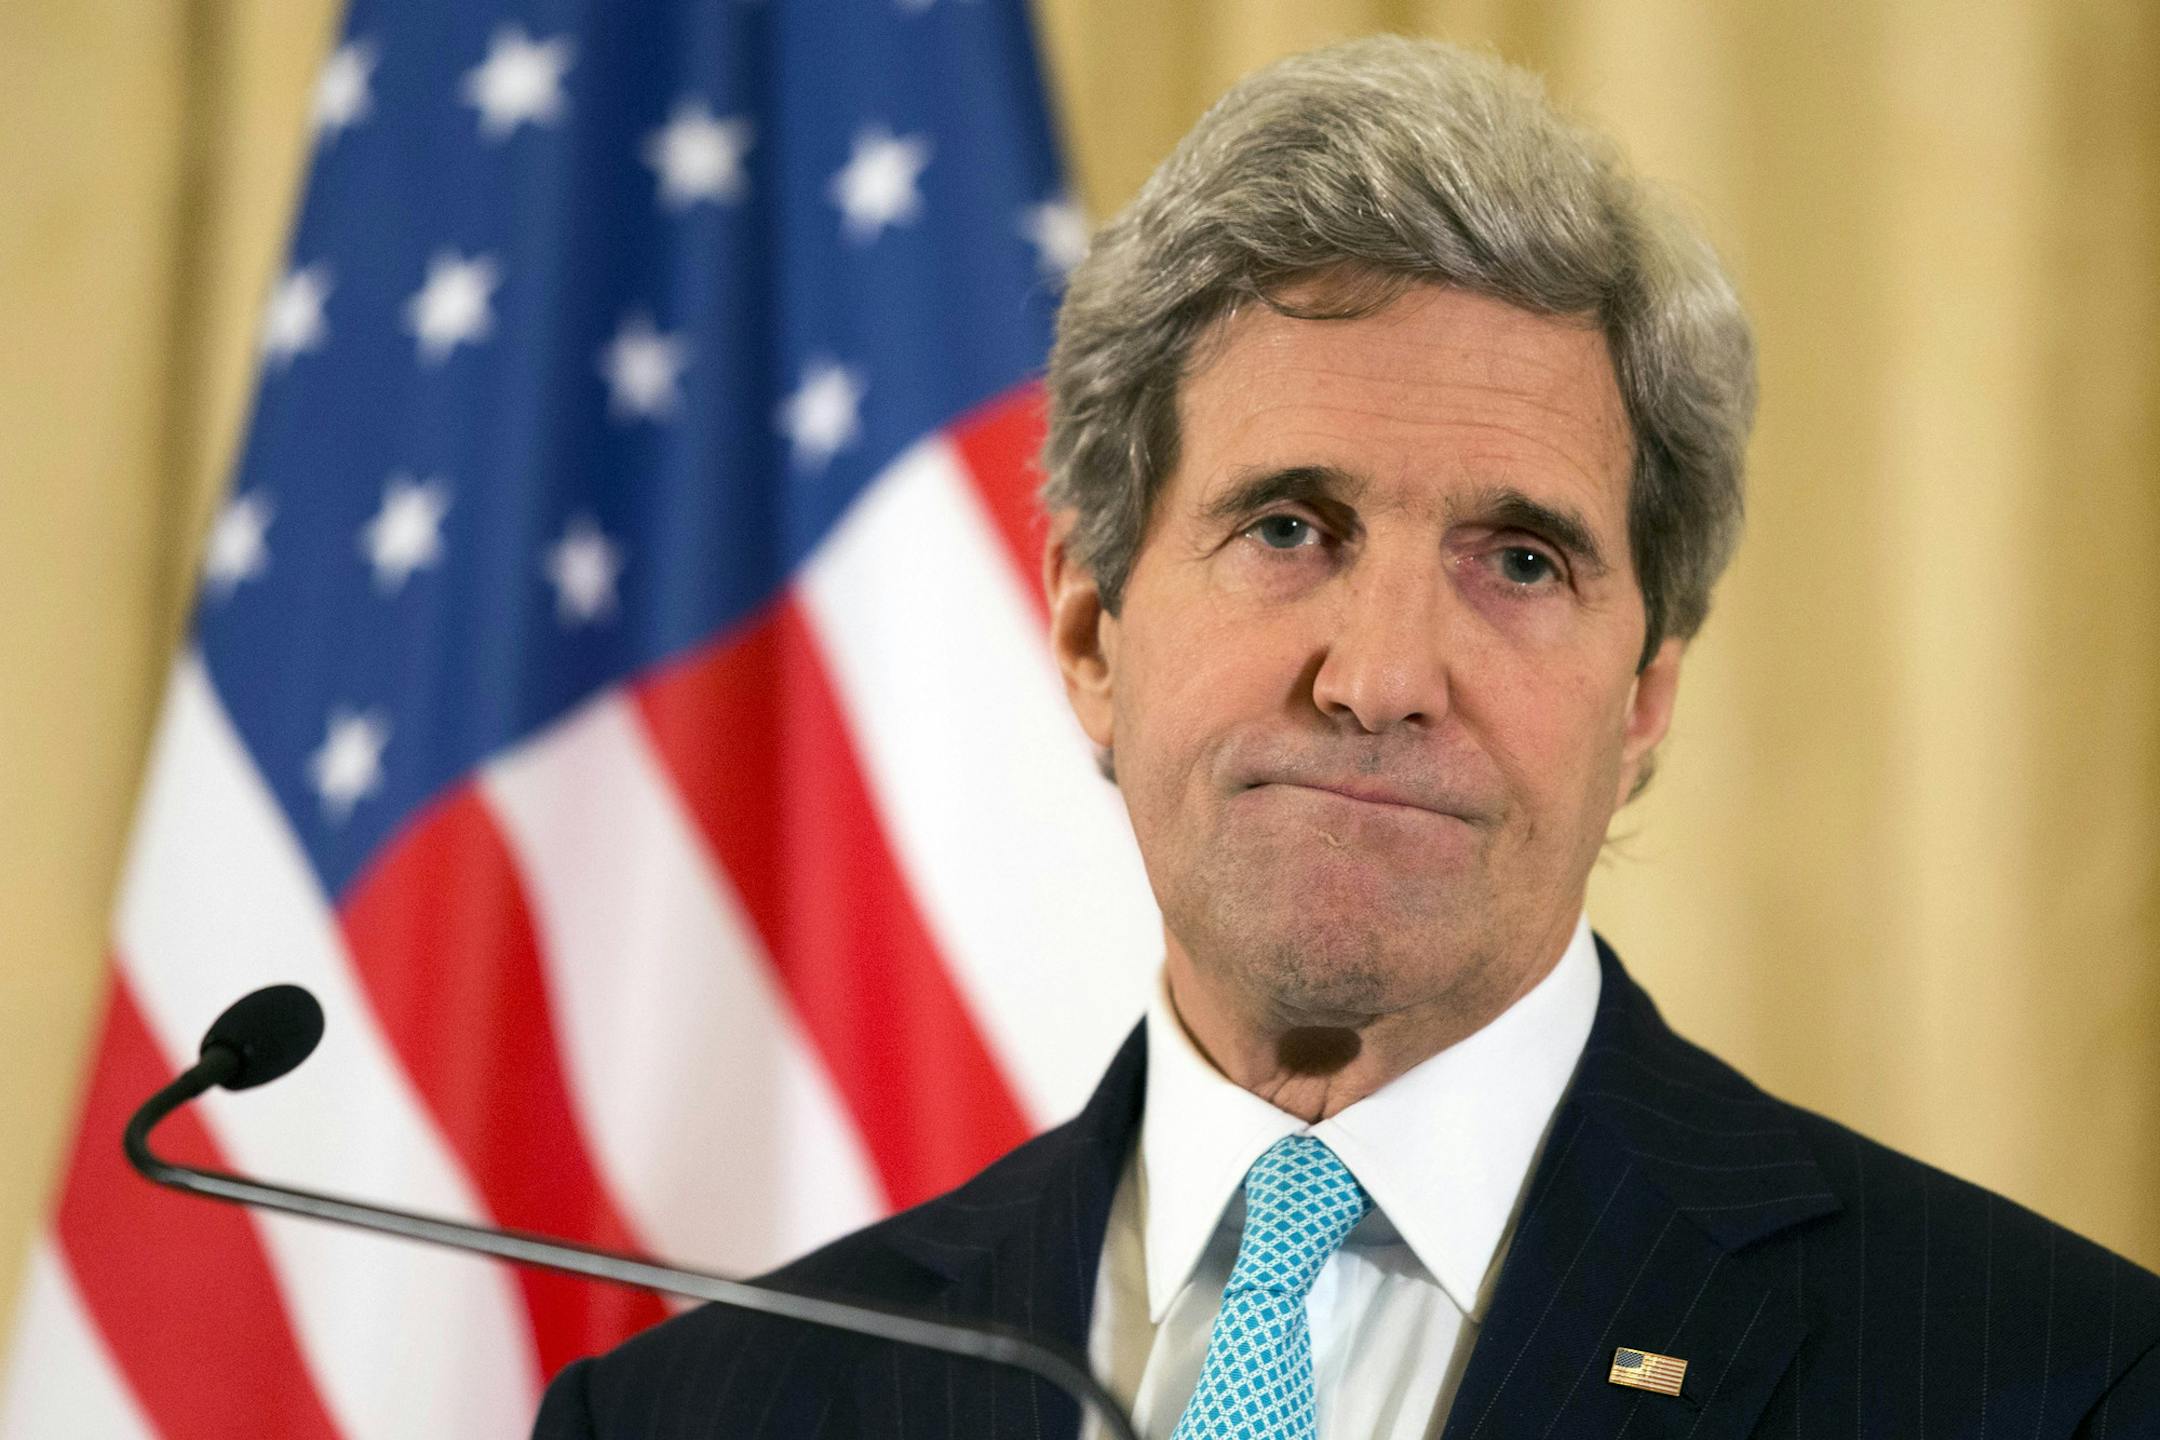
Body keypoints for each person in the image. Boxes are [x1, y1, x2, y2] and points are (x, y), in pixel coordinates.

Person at [534, 35, 2160, 1439]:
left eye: (1520, 562)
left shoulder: (2054, 1382)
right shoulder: (702, 1411)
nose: (1381, 679)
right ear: (1094, 636)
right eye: (1290, 528)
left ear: (1644, 701)